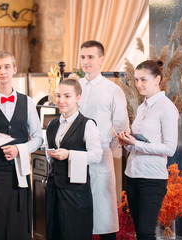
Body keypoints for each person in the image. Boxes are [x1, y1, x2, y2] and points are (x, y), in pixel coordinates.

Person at [0, 50, 43, 240]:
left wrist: (20, 149)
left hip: (20, 175)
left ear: (14, 69)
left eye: (6, 66)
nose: (2, 71)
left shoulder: (28, 102)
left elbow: (38, 138)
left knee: (19, 228)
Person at [116, 60, 179, 240]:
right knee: (139, 232)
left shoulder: (167, 108)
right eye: (136, 80)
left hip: (152, 179)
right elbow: (138, 144)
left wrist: (136, 144)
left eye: (143, 80)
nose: (138, 85)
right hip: (132, 175)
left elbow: (170, 148)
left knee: (145, 233)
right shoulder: (142, 107)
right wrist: (126, 142)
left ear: (157, 79)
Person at [77, 40, 130, 239]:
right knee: (79, 213)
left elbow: (122, 126)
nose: (85, 61)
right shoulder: (75, 87)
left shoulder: (112, 90)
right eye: (83, 57)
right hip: (77, 157)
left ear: (101, 60)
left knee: (104, 213)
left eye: (90, 57)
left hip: (101, 157)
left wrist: (107, 147)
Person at [45, 79, 103, 240]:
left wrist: (69, 154)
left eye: (67, 96)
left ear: (78, 97)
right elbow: (48, 153)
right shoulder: (52, 125)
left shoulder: (88, 124)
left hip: (76, 193)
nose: (61, 100)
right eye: (58, 95)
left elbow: (97, 155)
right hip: (54, 190)